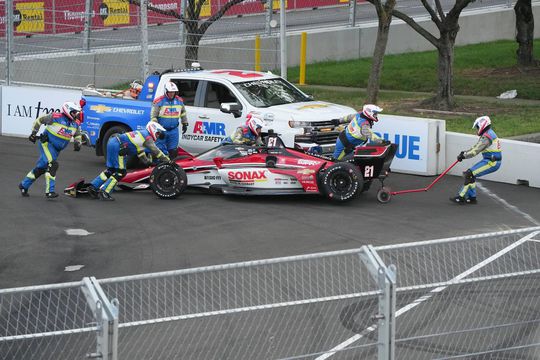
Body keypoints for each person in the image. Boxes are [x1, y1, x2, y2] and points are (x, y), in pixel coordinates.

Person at [88, 122, 170, 201]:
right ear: (153, 129)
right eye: (158, 133)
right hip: (118, 146)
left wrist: (147, 162)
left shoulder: (143, 134)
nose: (158, 136)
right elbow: (156, 151)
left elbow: (140, 152)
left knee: (111, 170)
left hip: (112, 142)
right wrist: (168, 160)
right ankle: (105, 191)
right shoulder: (148, 138)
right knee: (121, 172)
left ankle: (93, 186)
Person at [19, 102, 83, 199]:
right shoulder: (55, 117)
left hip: (57, 149)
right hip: (47, 144)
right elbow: (39, 120)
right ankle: (50, 191)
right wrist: (33, 133)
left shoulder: (76, 123)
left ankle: (23, 185)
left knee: (41, 168)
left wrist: (78, 143)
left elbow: (77, 134)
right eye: (74, 112)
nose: (76, 114)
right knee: (53, 165)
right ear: (68, 110)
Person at [450, 116, 502, 204]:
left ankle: (461, 197)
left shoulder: (487, 136)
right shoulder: (488, 133)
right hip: (489, 161)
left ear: (482, 125)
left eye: (477, 127)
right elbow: (476, 147)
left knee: (469, 174)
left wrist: (464, 156)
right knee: (471, 174)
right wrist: (465, 153)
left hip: (492, 162)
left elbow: (475, 151)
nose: (477, 129)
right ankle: (472, 198)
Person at [150, 81, 188, 160]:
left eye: (173, 92)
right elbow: (153, 117)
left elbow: (183, 112)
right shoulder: (159, 101)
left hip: (174, 130)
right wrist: (157, 130)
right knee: (158, 151)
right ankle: (157, 168)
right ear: (166, 91)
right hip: (161, 130)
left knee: (173, 151)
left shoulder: (179, 101)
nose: (172, 94)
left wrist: (184, 123)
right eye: (170, 92)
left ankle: (171, 168)